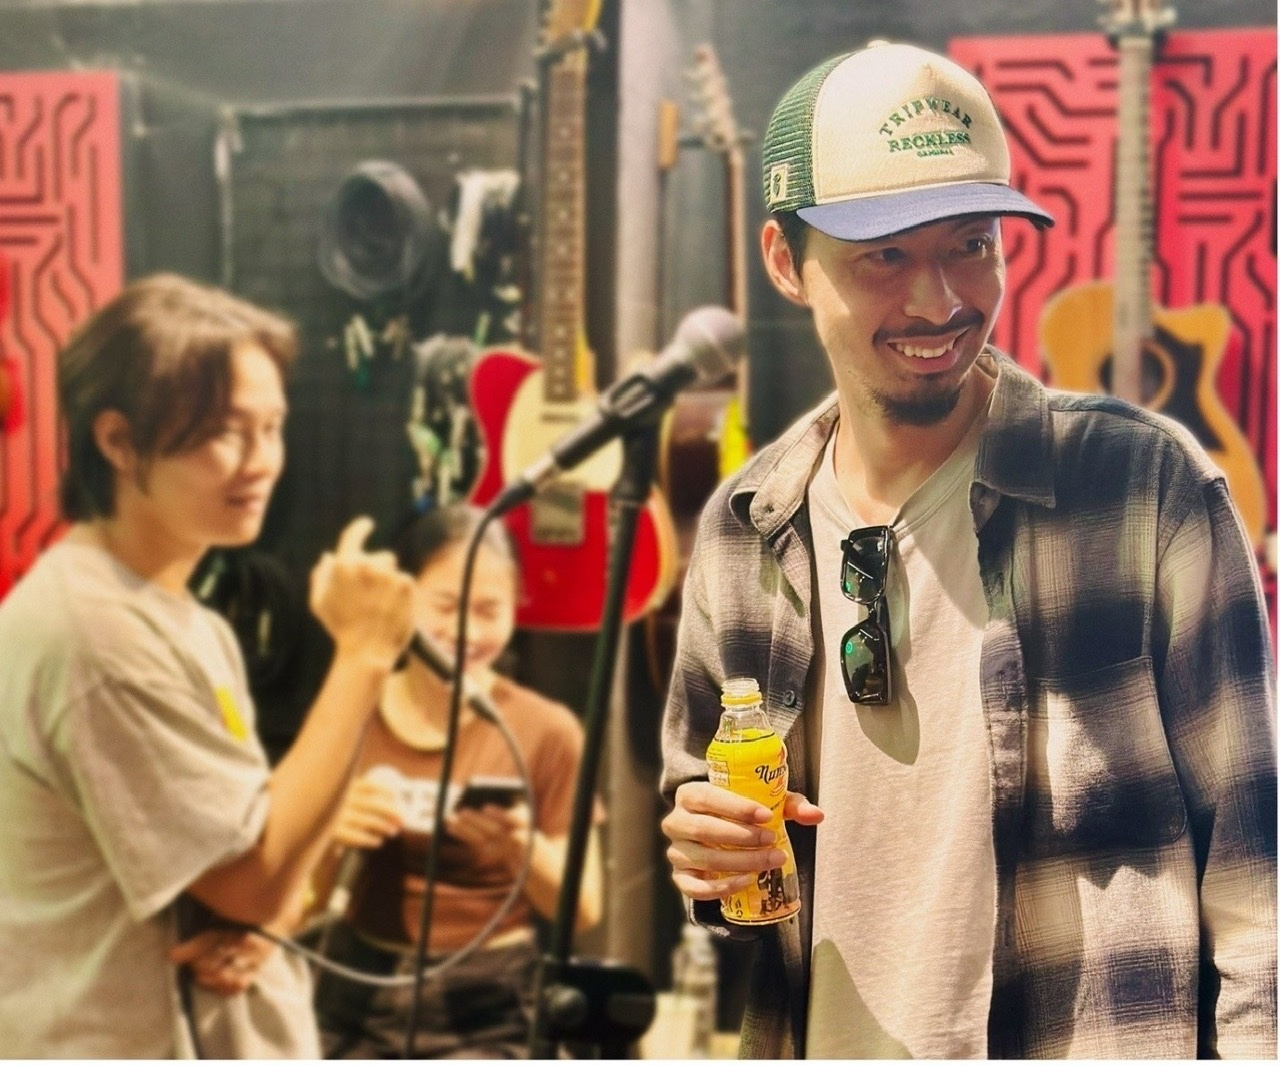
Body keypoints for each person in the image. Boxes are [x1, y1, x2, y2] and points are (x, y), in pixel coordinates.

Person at [659, 40, 1276, 1060]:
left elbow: (1259, 880)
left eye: (970, 244)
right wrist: (704, 850)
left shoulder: (1143, 489)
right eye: (884, 256)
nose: (939, 301)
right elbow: (705, 815)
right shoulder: (745, 528)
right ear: (783, 261)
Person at [0, 273, 417, 1057]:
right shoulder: (97, 634)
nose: (262, 463)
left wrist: (265, 920)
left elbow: (262, 870)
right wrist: (363, 655)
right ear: (118, 441)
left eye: (273, 428)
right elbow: (253, 878)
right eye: (226, 432)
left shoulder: (184, 618)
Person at [309, 502, 604, 1058]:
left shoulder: (546, 730)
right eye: (445, 607)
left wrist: (522, 848)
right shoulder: (351, 707)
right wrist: (329, 835)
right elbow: (298, 903)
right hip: (358, 987)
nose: (467, 631)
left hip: (491, 1002)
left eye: (490, 610)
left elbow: (583, 908)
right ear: (404, 596)